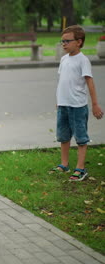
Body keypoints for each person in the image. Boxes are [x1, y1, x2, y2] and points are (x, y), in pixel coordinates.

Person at [49, 25, 103, 181]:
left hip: (78, 106)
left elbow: (89, 82)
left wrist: (95, 104)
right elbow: (62, 82)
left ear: (79, 42)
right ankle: (64, 164)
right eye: (62, 41)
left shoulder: (83, 60)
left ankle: (80, 168)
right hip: (63, 105)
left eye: (67, 41)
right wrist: (58, 101)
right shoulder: (64, 59)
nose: (64, 44)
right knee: (63, 136)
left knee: (81, 137)